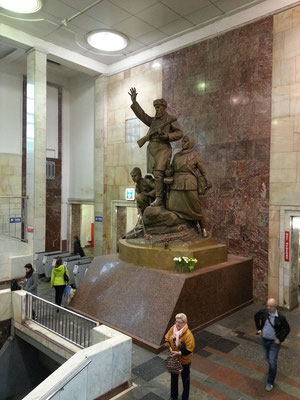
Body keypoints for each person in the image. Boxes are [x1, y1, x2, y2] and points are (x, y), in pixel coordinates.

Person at [128, 87, 183, 207]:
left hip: (163, 148)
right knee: (155, 174)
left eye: (159, 107)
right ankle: (159, 195)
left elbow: (179, 133)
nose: (157, 109)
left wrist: (167, 136)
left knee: (158, 173)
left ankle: (159, 199)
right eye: (155, 107)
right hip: (152, 148)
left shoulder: (170, 119)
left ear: (164, 108)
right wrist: (134, 102)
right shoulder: (154, 121)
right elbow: (142, 116)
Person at [167, 135, 212, 237]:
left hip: (189, 183)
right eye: (183, 141)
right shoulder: (176, 156)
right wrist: (166, 170)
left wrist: (208, 181)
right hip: (176, 184)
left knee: (196, 206)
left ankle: (203, 227)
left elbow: (203, 170)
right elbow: (171, 170)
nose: (183, 143)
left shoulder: (194, 156)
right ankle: (183, 226)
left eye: (186, 141)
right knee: (172, 206)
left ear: (191, 143)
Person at [254, 298, 290, 392]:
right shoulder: (264, 313)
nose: (268, 308)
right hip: (264, 340)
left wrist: (280, 339)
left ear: (275, 306)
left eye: (270, 306)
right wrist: (259, 329)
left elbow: (287, 329)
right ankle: (270, 366)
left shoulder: (281, 317)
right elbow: (256, 316)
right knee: (268, 358)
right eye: (267, 305)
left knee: (272, 363)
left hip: (274, 343)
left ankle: (270, 382)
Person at [165, 313, 195, 400]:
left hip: (184, 361)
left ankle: (185, 397)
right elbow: (167, 338)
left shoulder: (188, 335)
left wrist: (179, 353)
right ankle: (173, 397)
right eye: (176, 321)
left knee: (185, 380)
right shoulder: (172, 328)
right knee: (173, 378)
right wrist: (168, 345)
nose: (177, 324)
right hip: (174, 359)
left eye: (180, 322)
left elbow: (189, 349)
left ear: (185, 323)